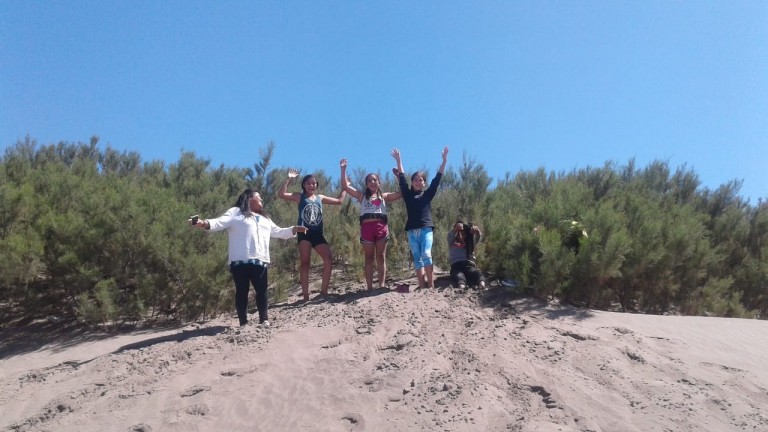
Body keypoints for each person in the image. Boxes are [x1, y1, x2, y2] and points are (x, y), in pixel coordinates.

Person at [190, 189, 307, 327]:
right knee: (242, 291)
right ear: (250, 198)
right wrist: (203, 223)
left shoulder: (265, 219)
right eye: (259, 197)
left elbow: (278, 232)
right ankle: (243, 322)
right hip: (239, 260)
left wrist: (293, 229)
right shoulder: (235, 212)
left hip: (260, 260)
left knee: (262, 290)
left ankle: (264, 320)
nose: (261, 200)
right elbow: (219, 222)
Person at [278, 169, 346, 301]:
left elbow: (339, 201)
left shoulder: (320, 198)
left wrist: (345, 188)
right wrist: (289, 179)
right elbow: (281, 194)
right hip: (304, 232)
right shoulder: (299, 197)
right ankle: (306, 296)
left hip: (317, 233)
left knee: (328, 258)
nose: (311, 185)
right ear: (304, 185)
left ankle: (324, 292)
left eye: (314, 183)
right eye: (308, 183)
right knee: (305, 263)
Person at [340, 158, 402, 291]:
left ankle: (381, 286)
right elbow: (345, 186)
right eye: (369, 181)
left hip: (381, 227)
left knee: (381, 257)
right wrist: (343, 169)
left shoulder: (384, 196)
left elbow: (401, 193)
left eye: (375, 180)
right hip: (366, 228)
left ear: (379, 183)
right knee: (368, 258)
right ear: (366, 184)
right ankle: (369, 288)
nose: (372, 182)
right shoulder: (361, 196)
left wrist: (399, 177)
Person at [390, 146, 448, 289]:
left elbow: (437, 179)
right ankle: (422, 287)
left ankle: (431, 286)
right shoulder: (407, 194)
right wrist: (399, 160)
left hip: (426, 229)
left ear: (424, 183)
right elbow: (402, 178)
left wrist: (444, 161)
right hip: (412, 231)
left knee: (426, 254)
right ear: (412, 182)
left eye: (420, 180)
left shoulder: (427, 194)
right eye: (415, 180)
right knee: (417, 259)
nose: (417, 182)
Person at [448, 219, 486, 289]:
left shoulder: (470, 243)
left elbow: (478, 237)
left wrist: (477, 231)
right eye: (460, 232)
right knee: (459, 276)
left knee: (477, 273)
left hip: (469, 265)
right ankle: (462, 287)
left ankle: (481, 285)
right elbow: (450, 235)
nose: (462, 235)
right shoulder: (452, 241)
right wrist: (455, 229)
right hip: (456, 266)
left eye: (464, 233)